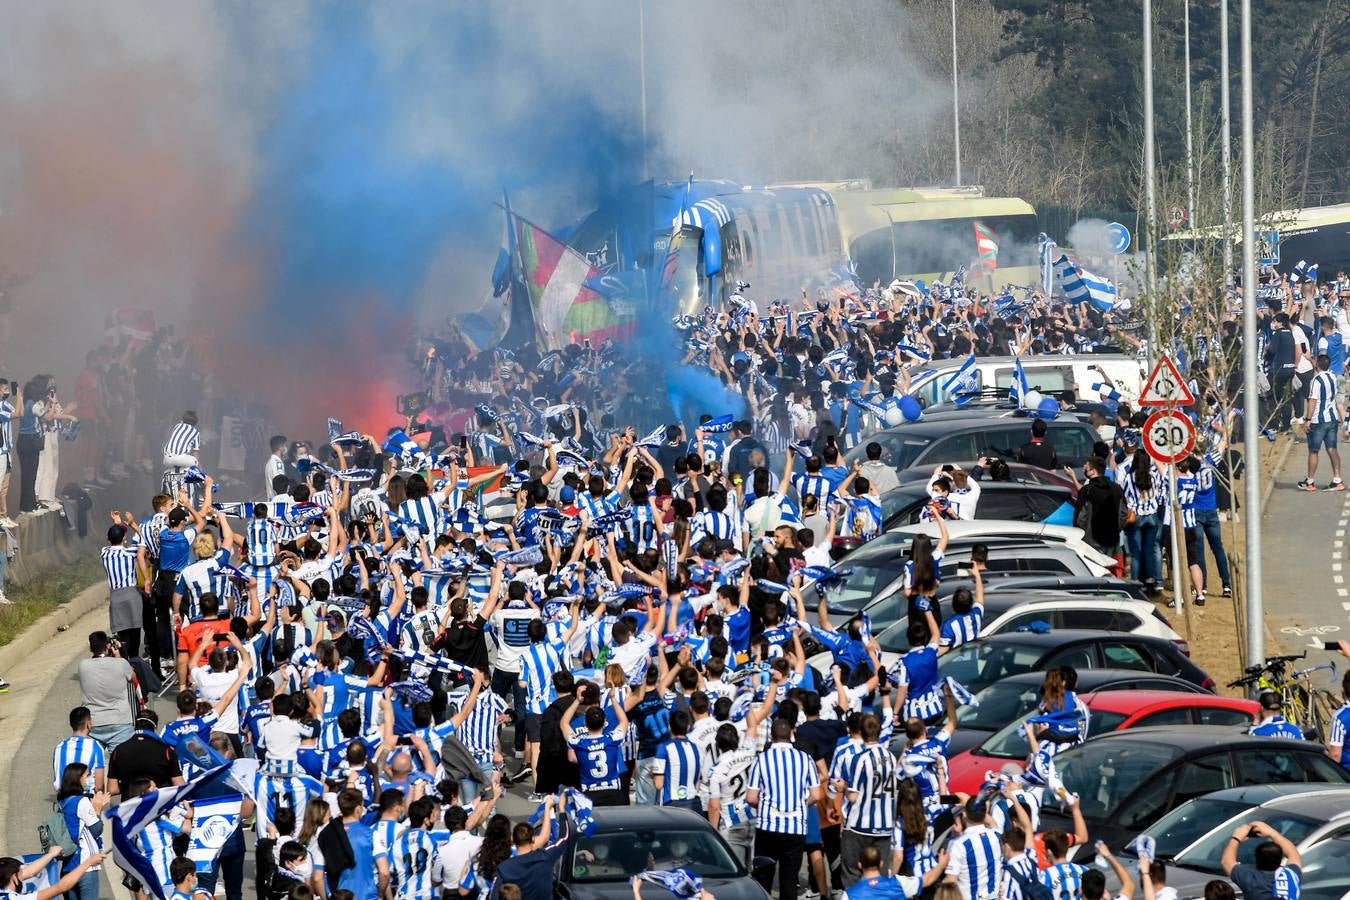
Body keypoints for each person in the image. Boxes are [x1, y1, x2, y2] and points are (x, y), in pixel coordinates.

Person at [746, 718, 821, 900]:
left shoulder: (761, 759)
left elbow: (751, 797)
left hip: (768, 826)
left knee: (763, 878)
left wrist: (764, 806)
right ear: (792, 735)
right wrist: (801, 804)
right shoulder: (805, 759)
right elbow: (817, 795)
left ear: (771, 736)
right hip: (795, 827)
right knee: (789, 880)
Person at [54, 762, 111, 900]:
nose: (90, 778)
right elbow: (96, 830)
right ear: (78, 778)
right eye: (87, 775)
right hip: (85, 866)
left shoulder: (62, 802)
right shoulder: (82, 802)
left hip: (68, 866)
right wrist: (97, 810)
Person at [77, 630, 137, 750]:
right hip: (120, 720)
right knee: (122, 764)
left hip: (93, 722)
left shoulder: (83, 665)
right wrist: (119, 657)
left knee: (94, 765)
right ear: (108, 646)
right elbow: (132, 677)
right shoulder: (121, 663)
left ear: (90, 648)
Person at [1299, 353, 1345, 491]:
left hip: (1318, 420)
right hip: (1332, 418)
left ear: (1317, 365)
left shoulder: (1316, 380)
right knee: (1332, 449)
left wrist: (1307, 420)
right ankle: (1337, 480)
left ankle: (1310, 481)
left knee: (1313, 450)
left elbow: (1312, 401)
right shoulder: (1332, 376)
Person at [1222, 821, 1302, 900]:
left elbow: (1226, 862)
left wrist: (1236, 837)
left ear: (1256, 859)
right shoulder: (1291, 874)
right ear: (1280, 858)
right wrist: (1272, 832)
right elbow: (1293, 854)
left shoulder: (1251, 880)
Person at [1072, 456, 1124, 553]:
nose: (1084, 469)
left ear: (1093, 471)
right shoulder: (1116, 488)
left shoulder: (1087, 490)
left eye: (1087, 468)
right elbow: (1123, 513)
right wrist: (1116, 529)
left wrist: (1084, 534)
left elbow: (1080, 518)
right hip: (1111, 539)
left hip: (1091, 541)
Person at [52, 706, 107, 793]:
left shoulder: (59, 747)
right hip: (87, 800)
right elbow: (99, 786)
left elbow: (57, 776)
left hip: (63, 800)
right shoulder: (96, 747)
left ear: (71, 724)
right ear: (88, 724)